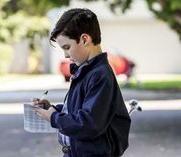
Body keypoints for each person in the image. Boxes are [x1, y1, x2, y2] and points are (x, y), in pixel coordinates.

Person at [32, 8, 131, 157]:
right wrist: (54, 109)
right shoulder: (85, 72)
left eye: (67, 47)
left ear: (85, 39)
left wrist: (54, 118)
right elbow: (79, 109)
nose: (65, 54)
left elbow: (89, 123)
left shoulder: (100, 75)